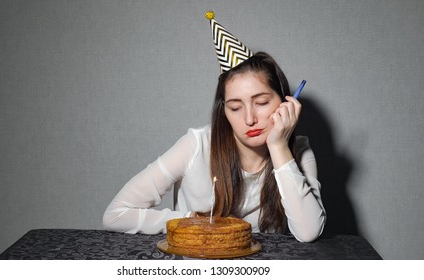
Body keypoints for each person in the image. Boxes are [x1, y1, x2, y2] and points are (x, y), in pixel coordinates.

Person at [103, 12, 326, 242]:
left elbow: (308, 232)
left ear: (284, 102)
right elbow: (115, 215)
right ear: (224, 112)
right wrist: (193, 221)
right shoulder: (196, 145)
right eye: (235, 107)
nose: (249, 119)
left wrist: (279, 146)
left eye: (261, 103)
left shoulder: (298, 152)